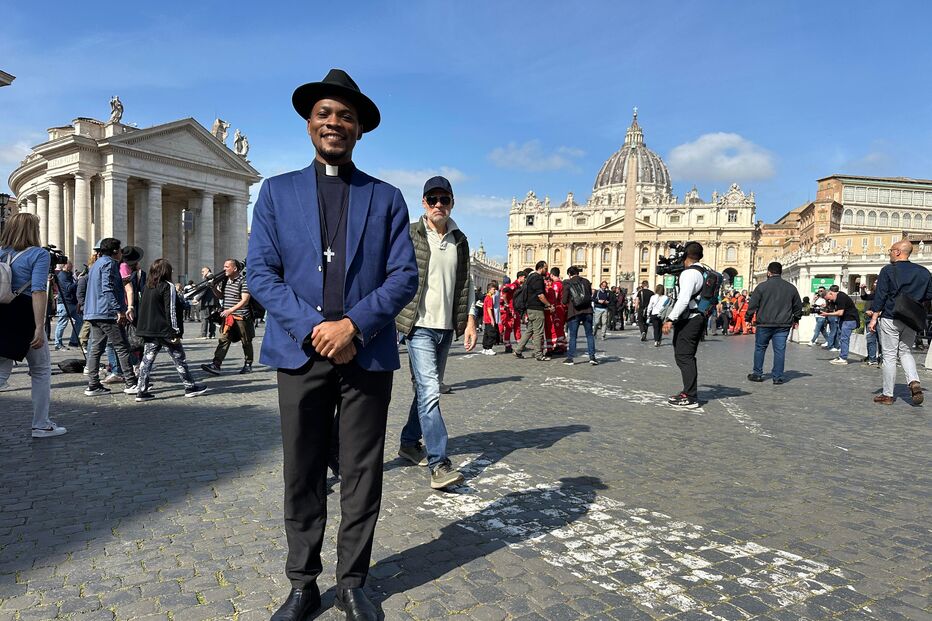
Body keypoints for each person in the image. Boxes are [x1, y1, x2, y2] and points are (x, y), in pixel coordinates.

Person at [246, 68, 418, 621]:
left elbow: (403, 276)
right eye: (325, 113)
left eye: (346, 116)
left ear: (359, 129)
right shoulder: (276, 192)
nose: (334, 123)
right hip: (300, 351)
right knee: (302, 470)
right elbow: (261, 273)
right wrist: (315, 328)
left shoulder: (386, 198)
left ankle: (352, 582)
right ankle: (302, 583)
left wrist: (353, 326)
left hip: (366, 352)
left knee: (363, 473)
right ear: (309, 123)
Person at [395, 175, 477, 490]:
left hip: (446, 327)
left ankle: (408, 443)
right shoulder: (409, 234)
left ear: (452, 203)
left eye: (444, 199)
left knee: (424, 392)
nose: (438, 204)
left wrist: (470, 320)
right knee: (431, 392)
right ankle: (439, 464)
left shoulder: (460, 239)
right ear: (424, 203)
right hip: (418, 327)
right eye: (433, 199)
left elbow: (466, 283)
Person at [0, 213, 65, 438]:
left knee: (2, 370)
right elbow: (38, 290)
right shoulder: (39, 254)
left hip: (2, 315)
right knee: (41, 370)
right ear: (33, 230)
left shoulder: (1, 253)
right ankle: (41, 424)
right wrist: (39, 326)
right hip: (24, 316)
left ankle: (42, 423)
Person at [133, 259, 208, 401]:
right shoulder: (168, 286)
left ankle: (141, 390)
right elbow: (171, 310)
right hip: (165, 330)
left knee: (147, 361)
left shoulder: (147, 286)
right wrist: (175, 331)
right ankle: (190, 386)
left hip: (149, 329)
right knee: (179, 359)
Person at [868, 240, 932, 405]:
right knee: (905, 352)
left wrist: (874, 317)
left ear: (897, 252)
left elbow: (881, 295)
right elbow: (929, 294)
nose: (889, 253)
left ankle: (888, 394)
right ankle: (913, 381)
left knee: (889, 356)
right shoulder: (924, 272)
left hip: (891, 316)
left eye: (891, 250)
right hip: (911, 318)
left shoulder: (888, 270)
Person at [83, 238, 139, 396]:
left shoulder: (96, 264)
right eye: (120, 250)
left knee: (96, 349)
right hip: (106, 312)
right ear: (115, 251)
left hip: (94, 311)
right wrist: (118, 310)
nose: (121, 253)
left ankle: (93, 385)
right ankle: (131, 383)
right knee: (122, 347)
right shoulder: (110, 263)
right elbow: (107, 288)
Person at [661, 242, 711, 409]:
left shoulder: (689, 273)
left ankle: (690, 397)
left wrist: (670, 319)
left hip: (690, 319)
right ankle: (689, 392)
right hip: (697, 317)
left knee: (684, 356)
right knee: (686, 355)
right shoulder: (703, 271)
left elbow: (683, 299)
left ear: (685, 256)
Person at [745, 262, 802, 384]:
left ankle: (757, 374)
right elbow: (798, 306)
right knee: (780, 350)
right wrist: (796, 319)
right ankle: (777, 377)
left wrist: (748, 318)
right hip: (783, 324)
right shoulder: (791, 288)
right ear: (780, 272)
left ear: (769, 272)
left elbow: (753, 305)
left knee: (760, 348)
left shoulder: (761, 287)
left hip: (764, 323)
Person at [200, 259, 253, 376]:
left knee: (246, 341)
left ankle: (248, 363)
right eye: (224, 266)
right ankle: (216, 364)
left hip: (241, 317)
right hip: (228, 318)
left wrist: (230, 310)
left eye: (227, 267)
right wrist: (213, 287)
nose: (224, 269)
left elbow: (245, 300)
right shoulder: (225, 281)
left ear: (235, 268)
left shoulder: (244, 281)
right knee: (224, 340)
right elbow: (221, 296)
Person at [513, 261, 552, 361]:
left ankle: (518, 350)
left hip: (529, 308)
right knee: (538, 332)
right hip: (536, 309)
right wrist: (549, 305)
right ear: (540, 268)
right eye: (545, 268)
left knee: (529, 331)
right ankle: (539, 355)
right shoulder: (538, 278)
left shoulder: (530, 277)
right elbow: (540, 295)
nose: (546, 271)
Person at [561, 265, 596, 365]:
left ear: (569, 274)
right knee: (589, 335)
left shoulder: (568, 283)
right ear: (578, 273)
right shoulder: (586, 281)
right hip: (587, 311)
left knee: (573, 336)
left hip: (574, 312)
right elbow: (589, 295)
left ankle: (570, 359)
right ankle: (592, 358)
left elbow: (564, 300)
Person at [821, 285, 859, 365]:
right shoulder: (836, 298)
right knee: (842, 338)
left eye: (828, 298)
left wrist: (827, 314)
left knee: (844, 339)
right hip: (845, 320)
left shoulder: (841, 297)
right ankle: (842, 356)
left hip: (849, 320)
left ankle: (843, 358)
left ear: (830, 293)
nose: (829, 301)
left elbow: (840, 312)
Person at [53, 262, 82, 350]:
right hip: (64, 303)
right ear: (65, 265)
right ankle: (58, 344)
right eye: (70, 265)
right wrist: (78, 281)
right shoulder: (62, 275)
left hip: (72, 303)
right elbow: (69, 288)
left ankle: (73, 341)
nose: (72, 266)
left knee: (80, 320)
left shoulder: (69, 274)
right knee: (62, 324)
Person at [498, 271, 524, 353]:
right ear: (520, 277)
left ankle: (512, 344)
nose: (525, 279)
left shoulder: (516, 285)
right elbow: (505, 292)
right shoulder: (514, 285)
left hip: (512, 309)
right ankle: (511, 345)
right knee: (511, 327)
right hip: (511, 309)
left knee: (513, 327)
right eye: (524, 277)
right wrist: (507, 304)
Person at [197, 266, 218, 339]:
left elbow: (204, 289)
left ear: (208, 270)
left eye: (203, 271)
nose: (202, 273)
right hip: (214, 301)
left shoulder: (208, 278)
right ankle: (212, 334)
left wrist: (197, 298)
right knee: (212, 318)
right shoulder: (214, 277)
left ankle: (203, 334)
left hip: (207, 301)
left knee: (204, 318)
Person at [482, 281, 499, 355]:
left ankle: (485, 348)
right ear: (489, 290)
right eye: (493, 289)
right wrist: (492, 319)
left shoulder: (486, 297)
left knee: (486, 334)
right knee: (492, 334)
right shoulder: (489, 298)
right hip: (489, 319)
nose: (495, 291)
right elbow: (489, 309)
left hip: (486, 318)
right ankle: (489, 348)